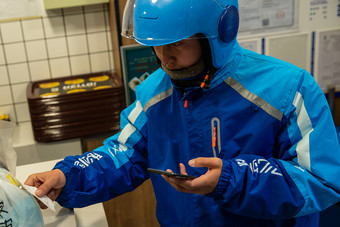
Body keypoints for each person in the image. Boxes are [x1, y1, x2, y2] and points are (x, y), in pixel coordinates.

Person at [25, 0, 340, 226]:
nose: (164, 58)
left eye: (176, 43)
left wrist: (233, 180)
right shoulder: (153, 92)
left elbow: (320, 182)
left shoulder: (288, 89)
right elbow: (124, 153)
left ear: (218, 33)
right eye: (157, 45)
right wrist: (69, 175)